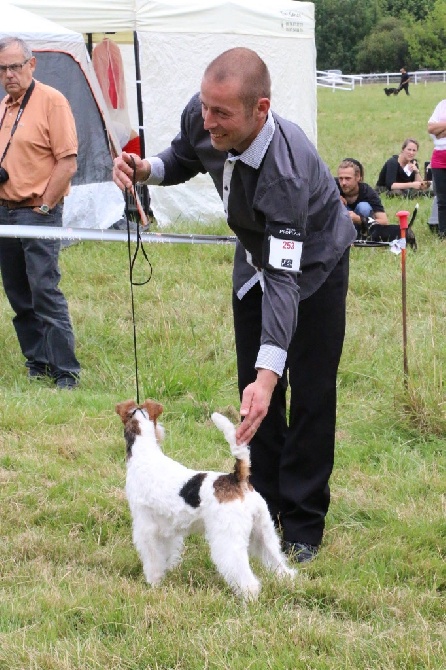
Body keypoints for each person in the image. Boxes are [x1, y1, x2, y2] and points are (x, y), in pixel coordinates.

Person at [113, 47, 356, 563]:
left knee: (308, 392)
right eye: (206, 108)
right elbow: (184, 155)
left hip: (311, 270)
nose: (209, 120)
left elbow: (286, 283)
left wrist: (272, 377)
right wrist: (145, 168)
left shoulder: (286, 173)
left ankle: (304, 523)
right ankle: (259, 503)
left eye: (221, 113)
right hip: (254, 257)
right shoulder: (205, 115)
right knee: (253, 394)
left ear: (260, 111)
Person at [0, 37, 80, 388]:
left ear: (31, 65)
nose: (9, 75)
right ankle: (38, 363)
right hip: (5, 213)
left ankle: (66, 372)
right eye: (2, 69)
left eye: (15, 66)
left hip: (38, 212)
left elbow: (68, 162)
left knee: (44, 290)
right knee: (18, 293)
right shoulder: (4, 106)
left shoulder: (52, 102)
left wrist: (46, 205)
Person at [336, 158, 388, 237]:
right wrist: (334, 198)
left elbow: (384, 221)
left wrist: (360, 219)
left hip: (362, 224)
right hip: (340, 229)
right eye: (341, 178)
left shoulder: (369, 193)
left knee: (364, 207)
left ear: (358, 177)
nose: (343, 183)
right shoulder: (332, 186)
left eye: (348, 178)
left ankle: (363, 235)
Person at [427, 99, 446, 238]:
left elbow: (437, 132)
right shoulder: (442, 105)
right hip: (439, 158)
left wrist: (440, 130)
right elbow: (431, 129)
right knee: (441, 199)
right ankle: (443, 232)